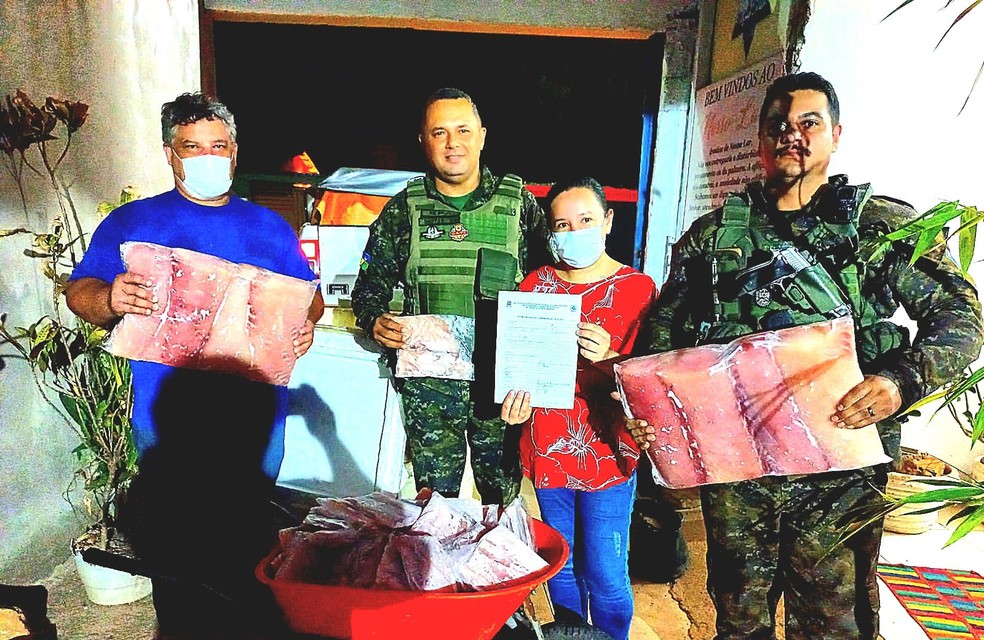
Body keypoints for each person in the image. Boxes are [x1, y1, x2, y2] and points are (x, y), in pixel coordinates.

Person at [625, 71, 983, 640]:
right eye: (778, 126)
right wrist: (653, 419)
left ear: (836, 134)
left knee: (834, 622)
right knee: (739, 616)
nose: (792, 135)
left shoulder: (878, 229)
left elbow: (962, 318)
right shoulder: (714, 237)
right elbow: (662, 343)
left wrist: (899, 381)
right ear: (761, 141)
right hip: (738, 471)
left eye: (808, 123)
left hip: (839, 469)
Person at [65, 92, 324, 637]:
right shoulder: (134, 221)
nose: (208, 157)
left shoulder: (269, 228)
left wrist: (307, 322)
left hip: (254, 424)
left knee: (248, 551)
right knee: (177, 559)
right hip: (168, 426)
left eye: (218, 146)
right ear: (170, 154)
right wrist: (110, 299)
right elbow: (80, 291)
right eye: (192, 147)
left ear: (234, 151)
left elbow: (309, 295)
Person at [351, 87, 549, 506]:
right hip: (430, 384)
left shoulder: (520, 206)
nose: (452, 142)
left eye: (462, 130)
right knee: (434, 504)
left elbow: (548, 288)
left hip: (499, 381)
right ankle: (438, 572)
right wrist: (374, 320)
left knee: (503, 500)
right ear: (423, 142)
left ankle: (503, 571)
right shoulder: (405, 209)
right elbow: (368, 288)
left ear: (482, 135)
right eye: (439, 132)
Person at [500, 177, 656, 640]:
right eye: (562, 224)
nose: (574, 232)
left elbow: (654, 378)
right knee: (562, 567)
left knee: (605, 574)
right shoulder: (535, 285)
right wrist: (512, 407)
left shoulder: (638, 290)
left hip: (609, 453)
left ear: (608, 221)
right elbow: (516, 367)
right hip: (547, 448)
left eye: (586, 220)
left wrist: (614, 357)